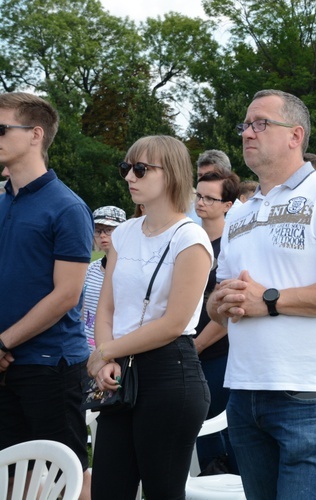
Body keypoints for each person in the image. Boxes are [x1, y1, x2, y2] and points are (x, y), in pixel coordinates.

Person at [207, 89, 316, 499]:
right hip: (244, 388)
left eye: (260, 123)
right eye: (245, 124)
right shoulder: (241, 212)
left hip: (305, 389)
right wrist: (219, 304)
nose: (247, 132)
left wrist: (270, 301)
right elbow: (220, 300)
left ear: (296, 135)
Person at [86, 135, 213, 499]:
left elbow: (174, 322)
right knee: (108, 489)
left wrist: (105, 352)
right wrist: (105, 356)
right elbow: (105, 304)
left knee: (163, 491)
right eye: (126, 168)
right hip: (120, 371)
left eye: (140, 169)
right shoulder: (124, 233)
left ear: (171, 173)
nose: (129, 177)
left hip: (170, 372)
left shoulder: (190, 239)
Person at [0, 92, 94, 499]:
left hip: (50, 364)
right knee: (11, 475)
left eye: (2, 128)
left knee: (69, 472)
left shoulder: (67, 207)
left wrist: (3, 341)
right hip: (7, 364)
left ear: (35, 134)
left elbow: (67, 295)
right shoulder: (3, 201)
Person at [192, 169, 241, 474]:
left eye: (210, 198)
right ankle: (209, 479)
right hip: (186, 345)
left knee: (223, 424)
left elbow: (227, 310)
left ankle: (234, 482)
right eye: (198, 195)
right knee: (199, 423)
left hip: (219, 350)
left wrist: (196, 345)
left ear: (228, 204)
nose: (202, 202)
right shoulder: (188, 238)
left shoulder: (232, 246)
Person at [82, 206, 127, 351]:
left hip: (116, 349)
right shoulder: (91, 269)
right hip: (87, 350)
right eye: (98, 230)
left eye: (108, 230)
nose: (102, 235)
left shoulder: (130, 271)